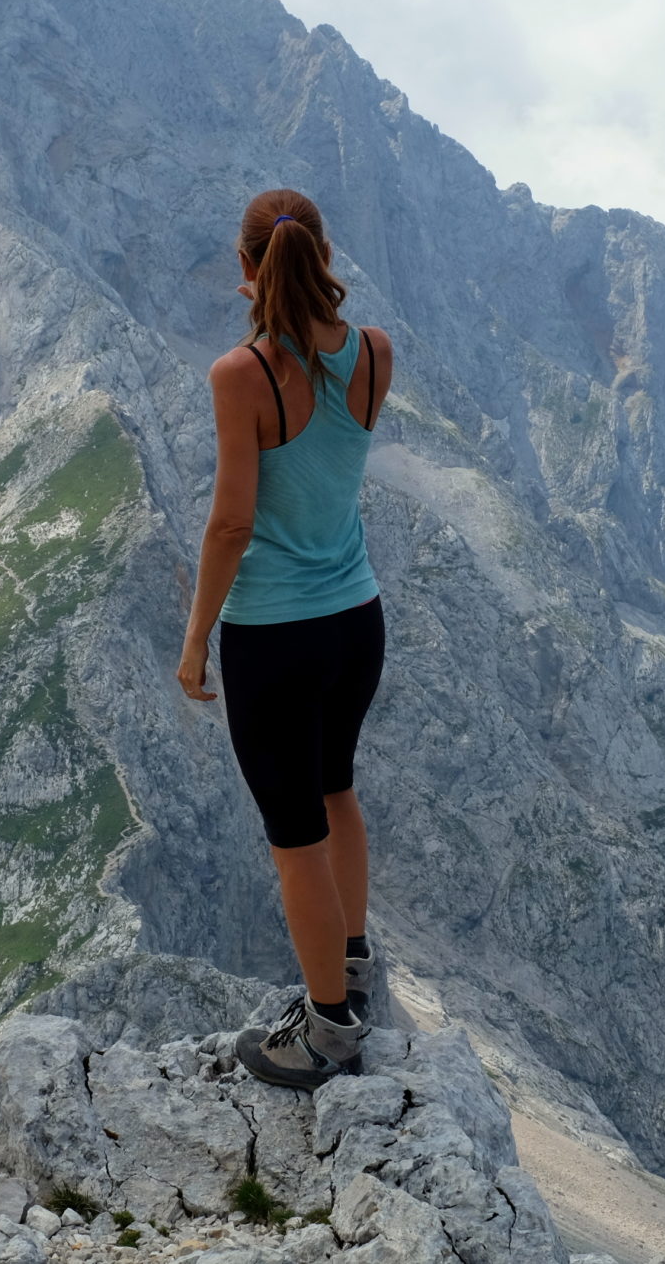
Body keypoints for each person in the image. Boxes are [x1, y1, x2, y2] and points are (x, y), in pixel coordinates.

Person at [176, 187, 394, 1089]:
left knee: (292, 833)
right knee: (336, 786)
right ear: (326, 252)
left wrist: (194, 643)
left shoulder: (243, 375)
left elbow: (231, 524)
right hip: (357, 620)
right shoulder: (376, 353)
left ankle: (326, 1035)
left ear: (245, 264)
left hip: (274, 634)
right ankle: (348, 968)